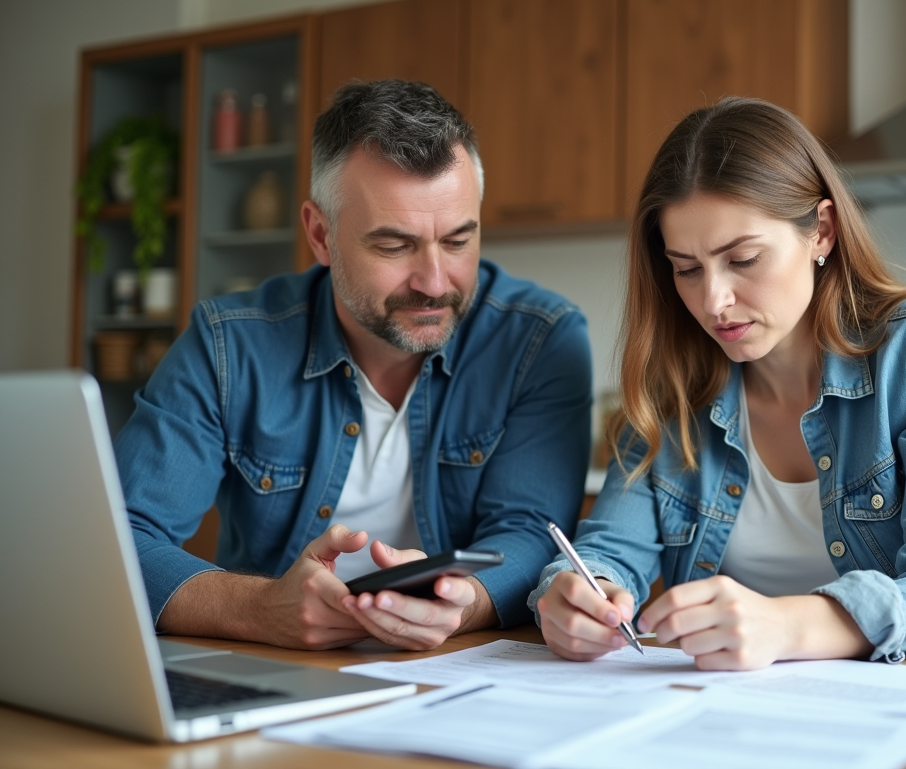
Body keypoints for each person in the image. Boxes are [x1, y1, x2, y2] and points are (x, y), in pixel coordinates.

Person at [529, 97, 906, 669]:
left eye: (743, 258)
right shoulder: (672, 383)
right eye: (687, 268)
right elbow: (606, 551)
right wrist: (577, 594)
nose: (713, 301)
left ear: (820, 231)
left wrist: (789, 625)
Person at [119, 80, 592, 651]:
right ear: (321, 234)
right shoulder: (228, 346)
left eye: (459, 240)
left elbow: (532, 532)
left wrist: (464, 605)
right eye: (394, 247)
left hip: (455, 671)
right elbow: (120, 540)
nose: (434, 282)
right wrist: (259, 610)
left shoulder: (539, 341)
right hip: (276, 666)